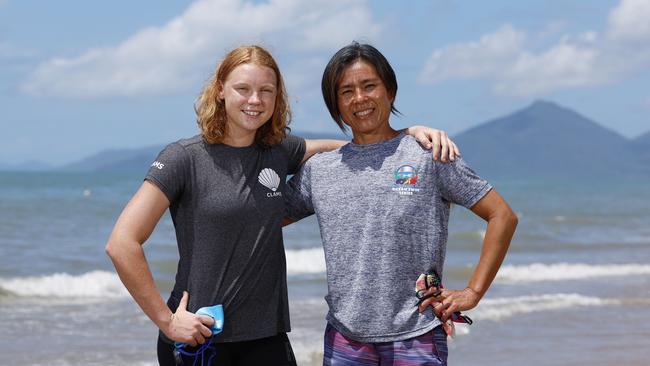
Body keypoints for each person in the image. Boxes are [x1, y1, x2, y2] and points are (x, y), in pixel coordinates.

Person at [105, 44, 460, 366]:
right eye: (243, 89)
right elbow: (122, 243)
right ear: (220, 91)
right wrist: (167, 321)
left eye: (266, 91)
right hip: (199, 336)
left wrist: (409, 136)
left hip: (267, 338)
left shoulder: (278, 151)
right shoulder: (184, 158)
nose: (254, 100)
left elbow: (350, 149)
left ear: (277, 98)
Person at [284, 42, 518, 365]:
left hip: (417, 334)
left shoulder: (428, 154)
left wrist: (472, 292)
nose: (360, 98)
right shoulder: (320, 170)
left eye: (369, 86)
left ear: (390, 91)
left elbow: (502, 216)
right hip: (345, 339)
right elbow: (259, 216)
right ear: (335, 104)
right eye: (346, 91)